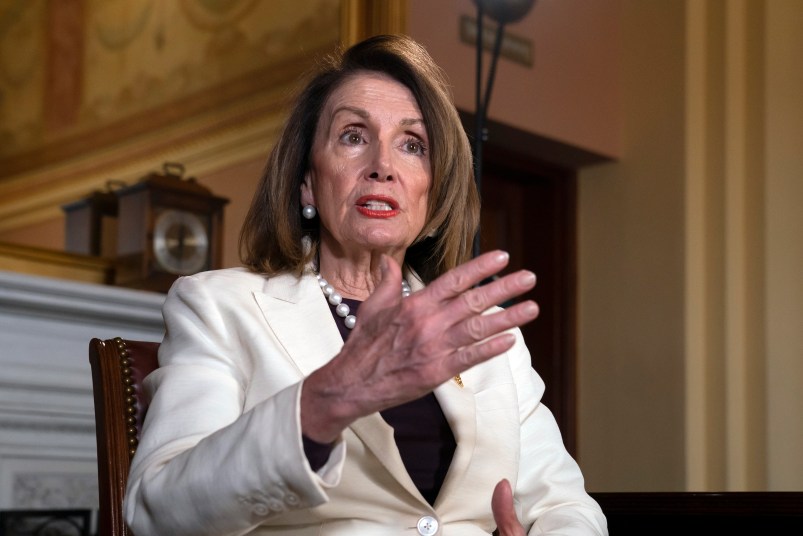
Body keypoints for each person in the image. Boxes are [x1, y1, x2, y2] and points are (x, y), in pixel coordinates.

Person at [123, 34, 607, 535]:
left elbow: (566, 506)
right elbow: (159, 511)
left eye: (412, 145)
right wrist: (329, 399)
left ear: (433, 193)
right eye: (353, 135)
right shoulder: (219, 307)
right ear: (308, 181)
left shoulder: (487, 334)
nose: (382, 165)